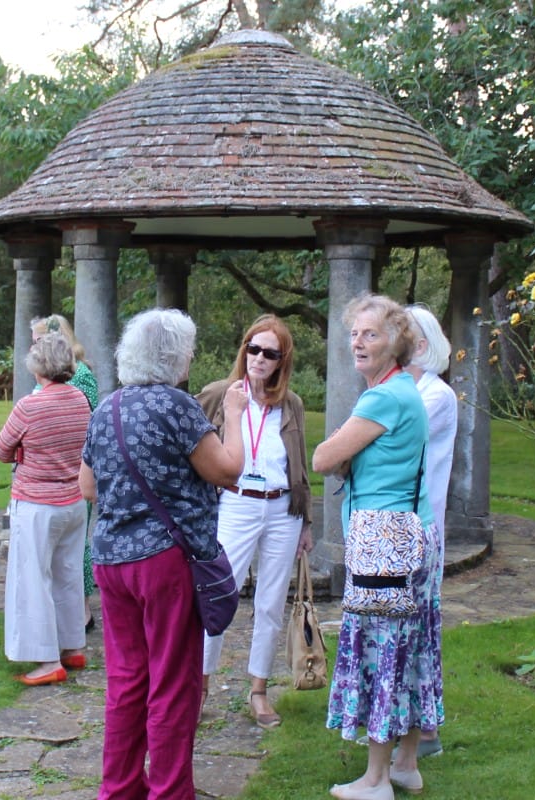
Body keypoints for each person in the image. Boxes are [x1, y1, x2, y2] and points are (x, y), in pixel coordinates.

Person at [78, 308, 247, 800]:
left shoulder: (106, 407)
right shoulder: (177, 406)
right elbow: (228, 470)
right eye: (189, 350)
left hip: (111, 561)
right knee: (173, 682)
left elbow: (87, 485)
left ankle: (121, 789)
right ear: (175, 356)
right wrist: (233, 416)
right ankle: (170, 792)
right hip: (165, 562)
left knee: (126, 680)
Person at [312, 294, 442, 800]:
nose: (359, 342)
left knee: (382, 652)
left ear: (397, 344)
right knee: (412, 649)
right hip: (413, 533)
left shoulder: (382, 398)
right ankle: (407, 764)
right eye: (355, 334)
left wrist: (341, 457)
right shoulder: (403, 389)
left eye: (372, 334)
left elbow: (325, 458)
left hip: (386, 540)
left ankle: (376, 779)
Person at [196, 314, 314, 729]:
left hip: (281, 509)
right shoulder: (218, 394)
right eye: (253, 348)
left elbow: (298, 465)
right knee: (217, 595)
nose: (259, 358)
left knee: (269, 603)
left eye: (270, 353)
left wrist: (306, 523)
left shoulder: (291, 404)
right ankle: (201, 687)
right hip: (237, 503)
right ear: (244, 349)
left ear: (282, 361)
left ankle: (259, 691)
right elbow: (190, 446)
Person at [0, 332, 92, 685]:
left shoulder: (29, 406)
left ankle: (47, 659)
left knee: (32, 579)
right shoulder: (81, 400)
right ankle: (72, 646)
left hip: (36, 503)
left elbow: (2, 448)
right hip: (73, 501)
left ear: (39, 367)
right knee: (67, 574)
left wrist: (25, 451)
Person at [400, 304, 457, 760]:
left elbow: (386, 436)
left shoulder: (434, 397)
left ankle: (426, 732)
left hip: (420, 530)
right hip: (405, 526)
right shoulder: (412, 392)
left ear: (420, 346)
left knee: (419, 629)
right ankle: (412, 729)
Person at [31, 313, 100, 630]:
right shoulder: (49, 375)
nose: (34, 349)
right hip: (49, 471)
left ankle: (82, 610)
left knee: (76, 543)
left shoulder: (80, 376)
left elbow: (85, 426)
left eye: (39, 342)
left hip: (73, 470)